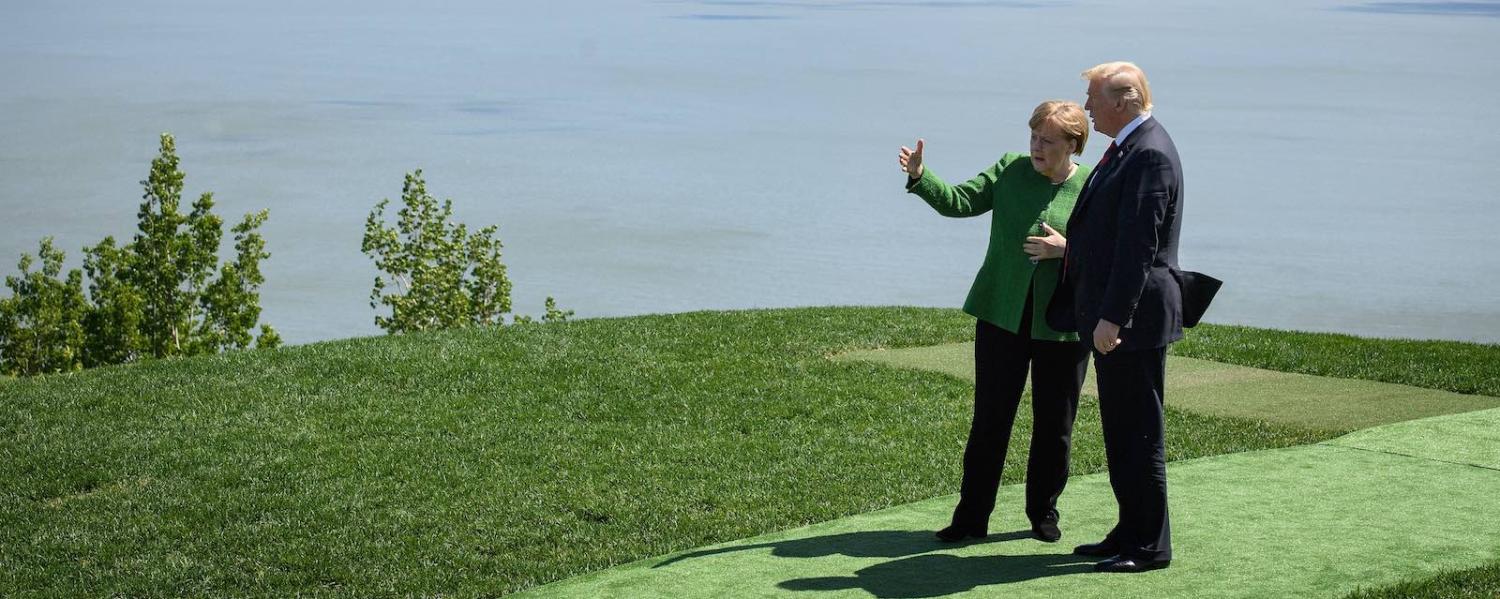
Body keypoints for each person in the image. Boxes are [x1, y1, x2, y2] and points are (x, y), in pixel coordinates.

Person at [897, 100, 1093, 544]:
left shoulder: (1094, 185)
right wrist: (920, 177)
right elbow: (960, 201)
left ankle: (1043, 513)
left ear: (1073, 144)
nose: (1036, 147)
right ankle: (971, 519)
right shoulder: (1010, 169)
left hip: (1063, 326)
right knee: (990, 420)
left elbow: (1113, 248)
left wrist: (1068, 250)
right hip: (1002, 315)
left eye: (1047, 140)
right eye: (1033, 137)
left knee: (1055, 426)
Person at [1048, 61, 1183, 573]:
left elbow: (1138, 249)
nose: (1085, 108)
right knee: (1121, 430)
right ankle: (1130, 530)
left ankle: (1149, 546)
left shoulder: (1148, 153)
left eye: (1093, 98)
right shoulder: (1130, 146)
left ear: (1124, 101)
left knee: (1139, 432)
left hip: (1134, 321)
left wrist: (1113, 319)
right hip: (1121, 317)